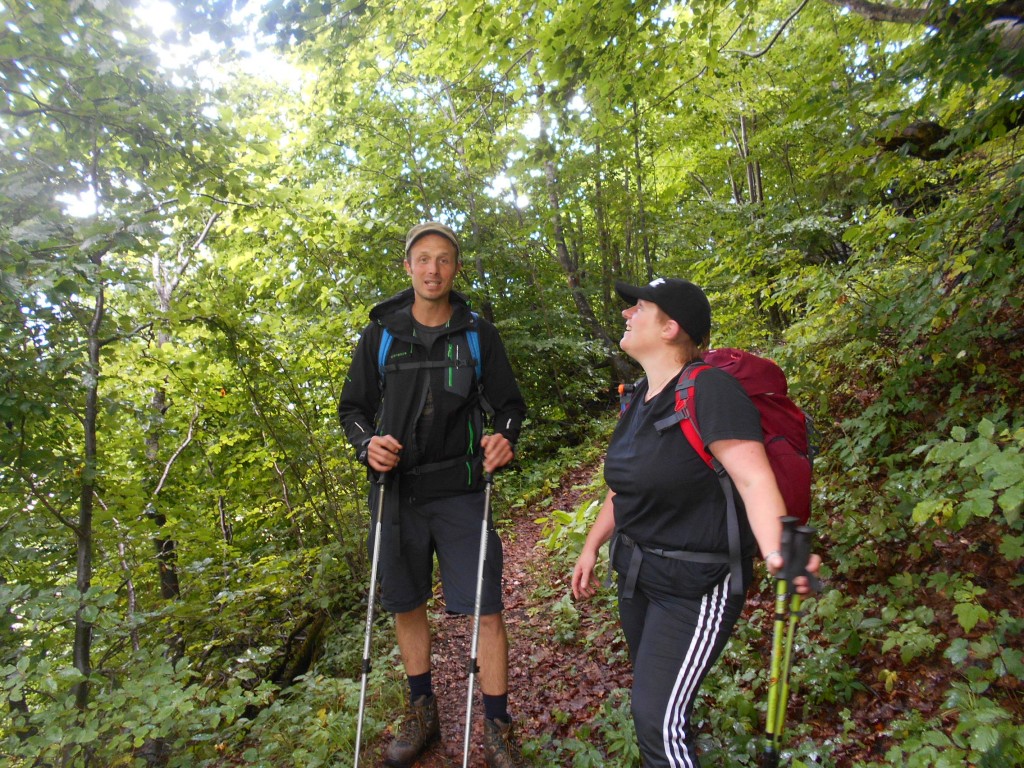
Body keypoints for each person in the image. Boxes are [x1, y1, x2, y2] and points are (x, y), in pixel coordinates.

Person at [571, 277, 821, 768]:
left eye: (638, 307)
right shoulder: (640, 397)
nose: (626, 314)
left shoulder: (710, 390)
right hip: (638, 578)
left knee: (654, 721)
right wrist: (592, 544)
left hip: (696, 585)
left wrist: (776, 552)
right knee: (659, 709)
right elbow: (625, 486)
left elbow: (753, 480)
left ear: (670, 327)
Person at [338, 222, 528, 768]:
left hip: (463, 489)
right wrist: (366, 445)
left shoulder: (476, 334)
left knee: (485, 606)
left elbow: (510, 405)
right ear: (408, 267)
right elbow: (352, 410)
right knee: (406, 601)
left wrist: (504, 437)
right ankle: (423, 710)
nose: (432, 269)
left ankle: (497, 723)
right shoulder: (380, 336)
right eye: (423, 259)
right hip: (395, 492)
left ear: (455, 269)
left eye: (443, 260)